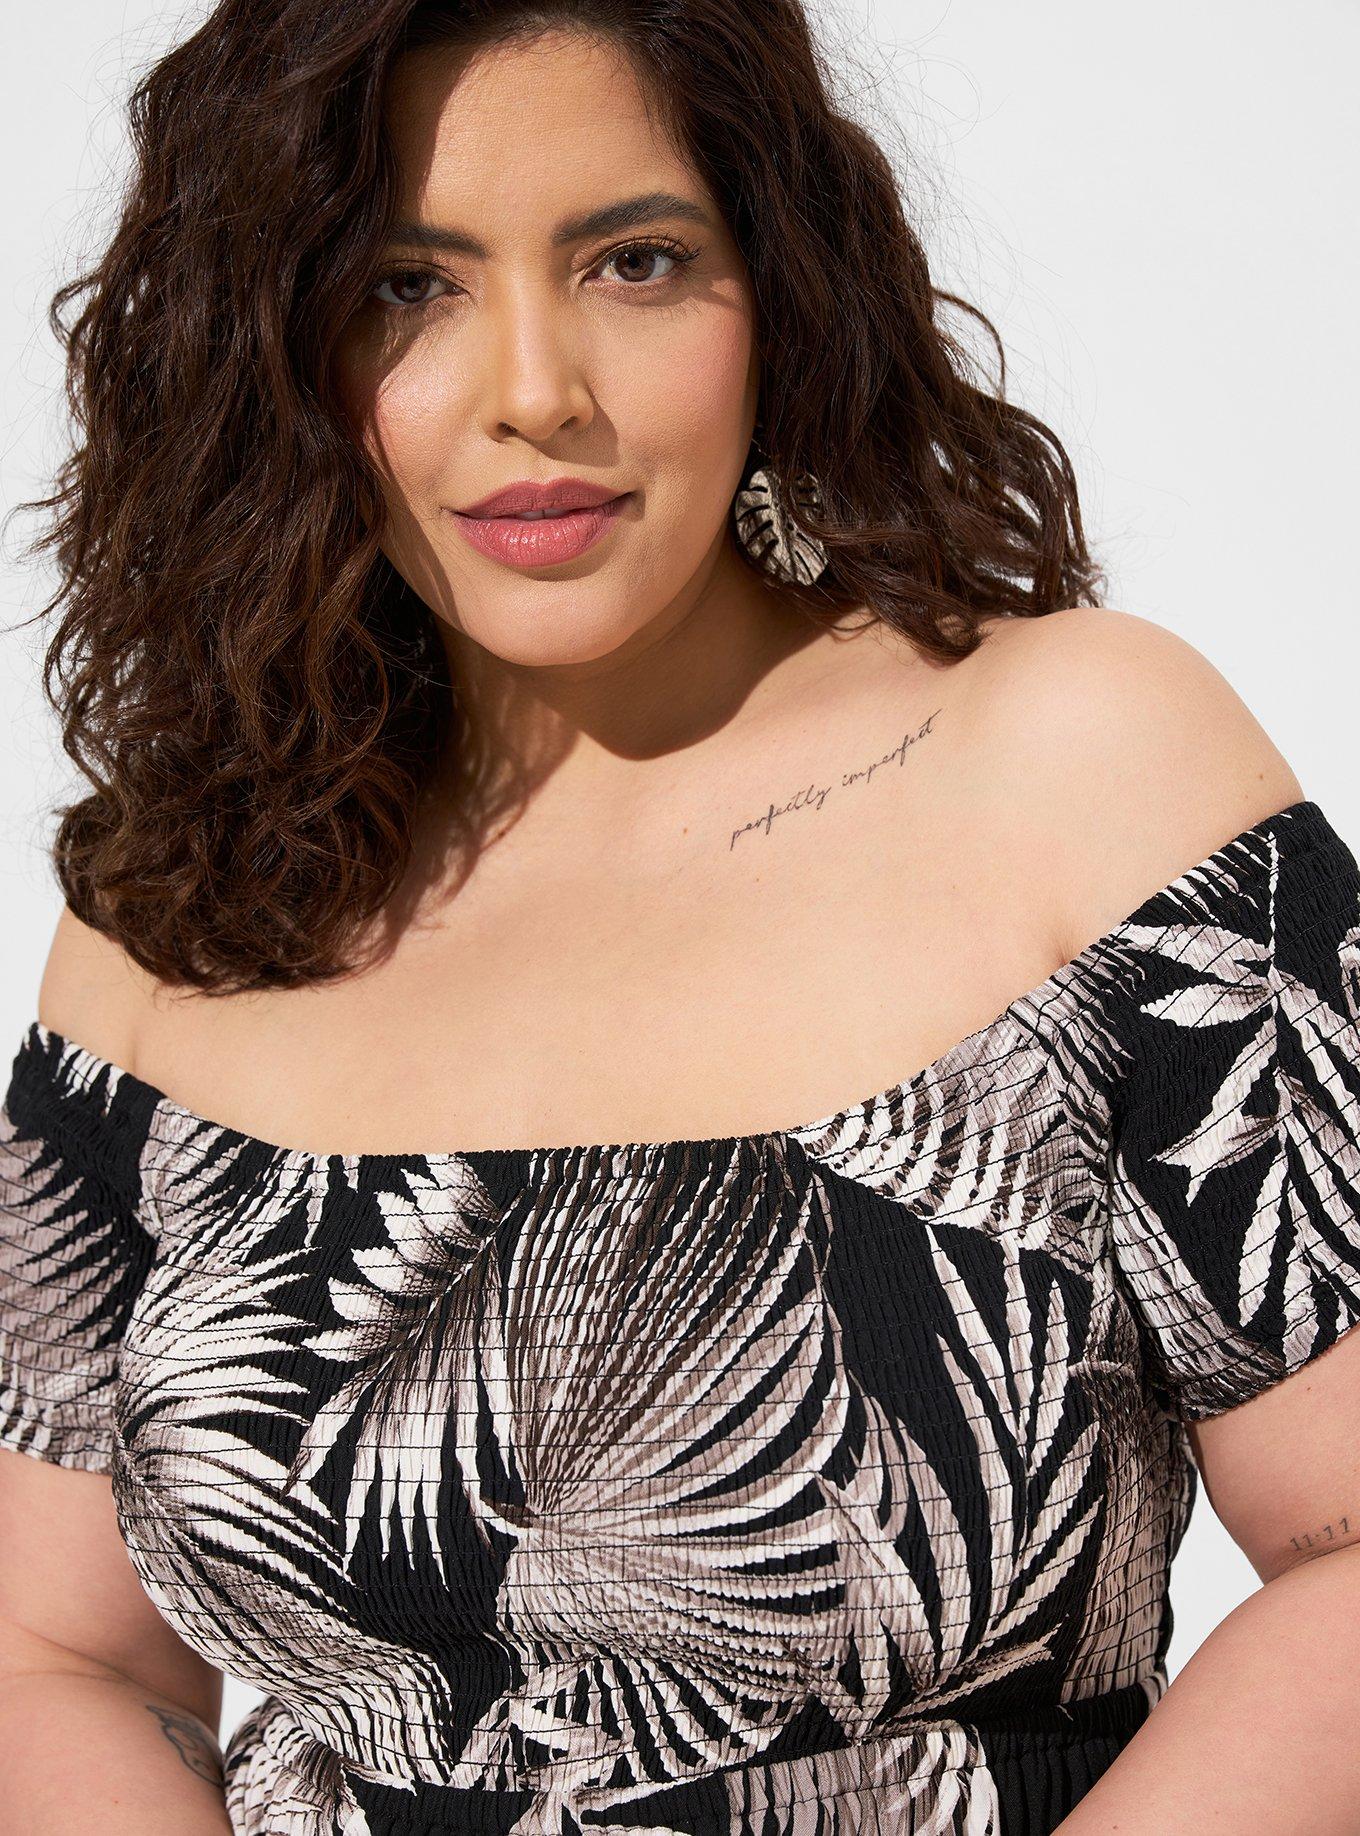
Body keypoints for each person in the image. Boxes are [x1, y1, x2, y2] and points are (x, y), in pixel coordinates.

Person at [2, 3, 1358, 1833]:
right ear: (270, 349)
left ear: (781, 289)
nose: (536, 389)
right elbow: (56, 1653)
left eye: (633, 261)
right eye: (407, 286)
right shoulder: (192, 901)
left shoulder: (1081, 767)